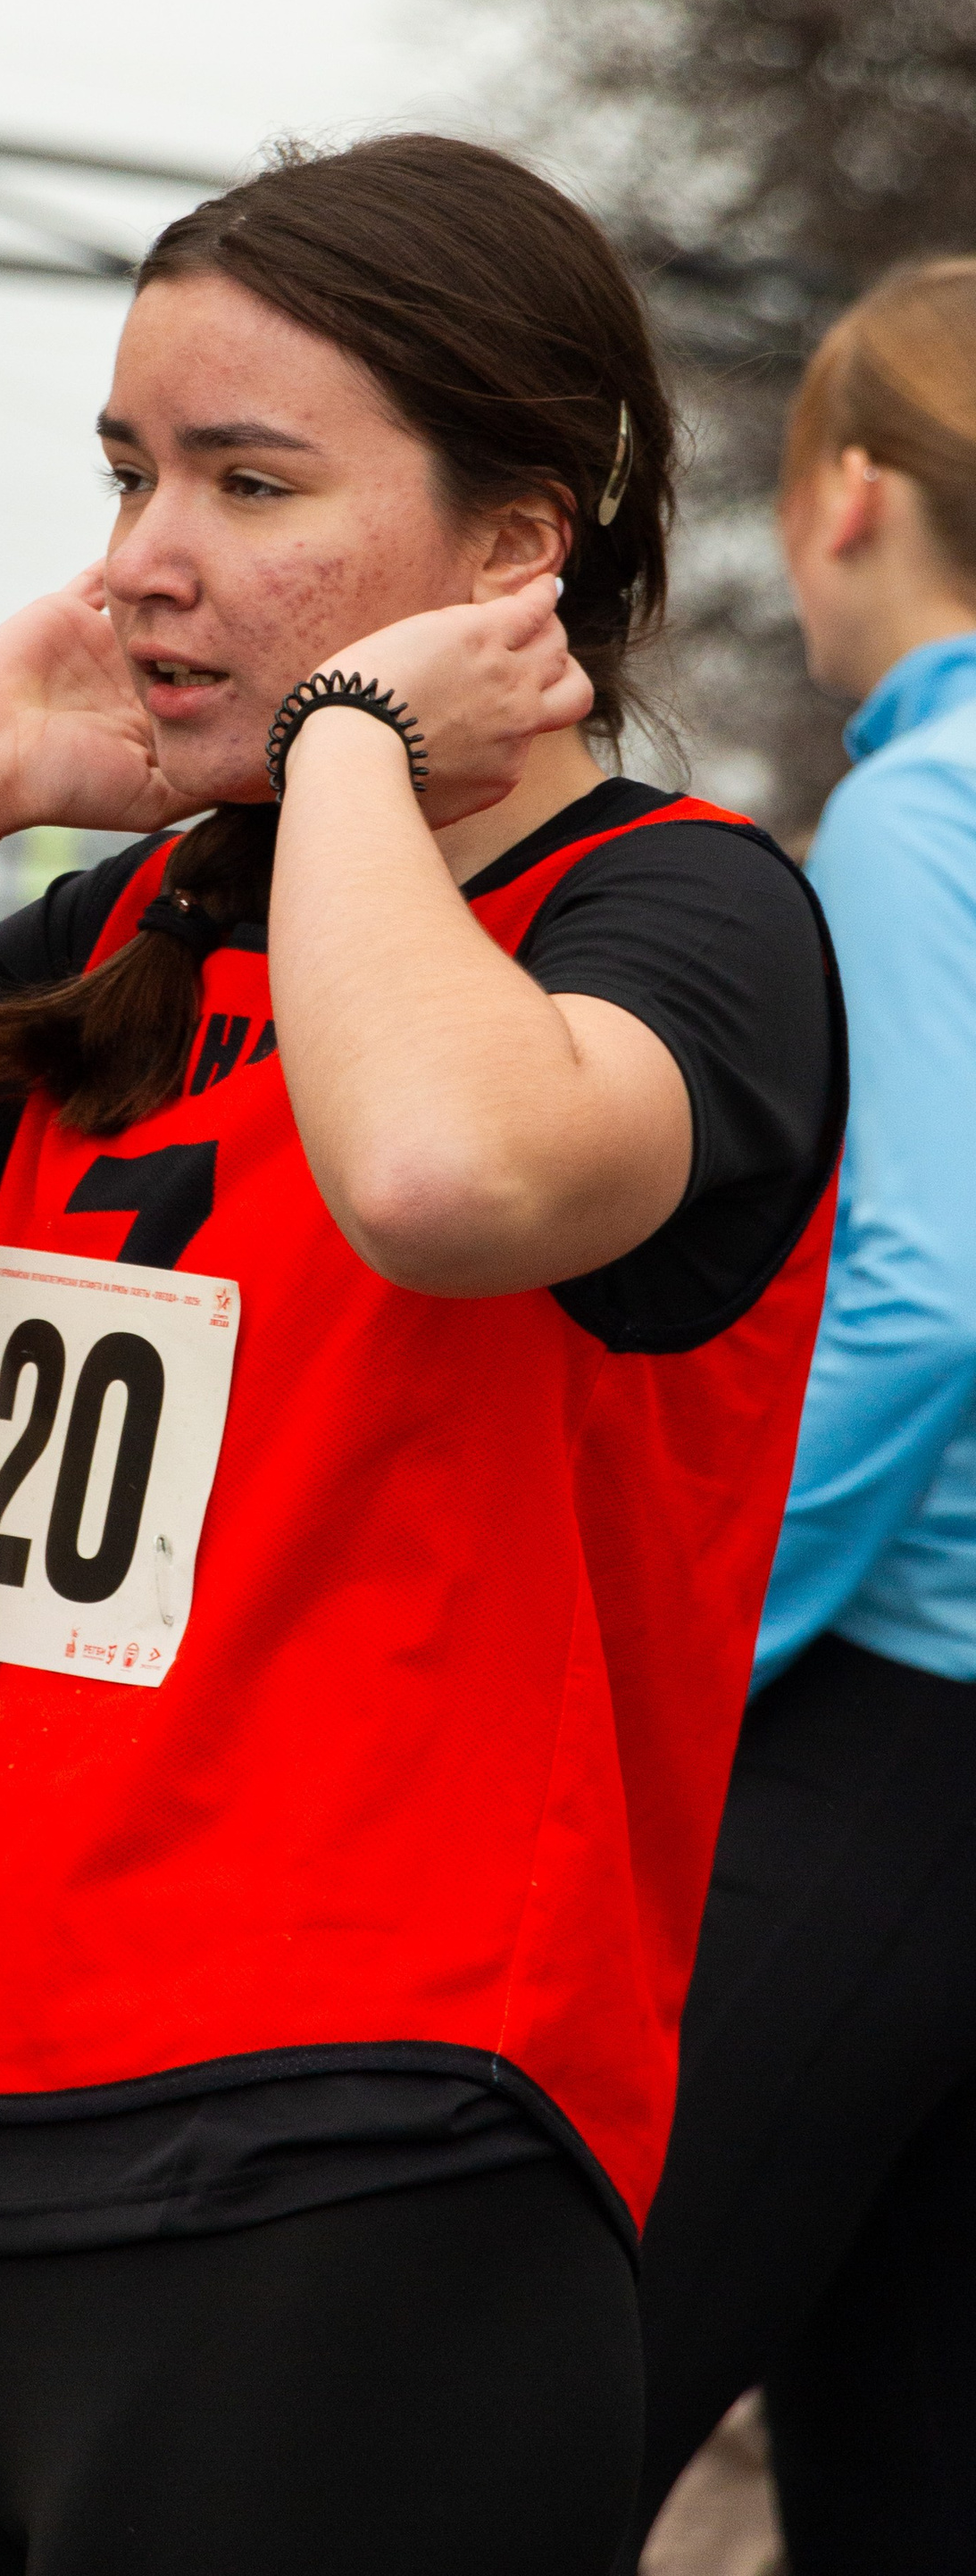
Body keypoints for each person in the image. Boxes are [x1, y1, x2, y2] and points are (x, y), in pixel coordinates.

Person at [0, 136, 845, 2575]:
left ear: (515, 549)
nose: (142, 557)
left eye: (249, 479)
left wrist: (333, 756)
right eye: (126, 471)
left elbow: (437, 1172)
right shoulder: (133, 940)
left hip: (367, 2163)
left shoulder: (685, 915)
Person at [625, 261, 976, 2572]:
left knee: (514, 2413)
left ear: (847, 496)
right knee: (906, 2465)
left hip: (891, 1739)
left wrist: (682, 1640)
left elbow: (928, 1294)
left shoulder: (922, 803)